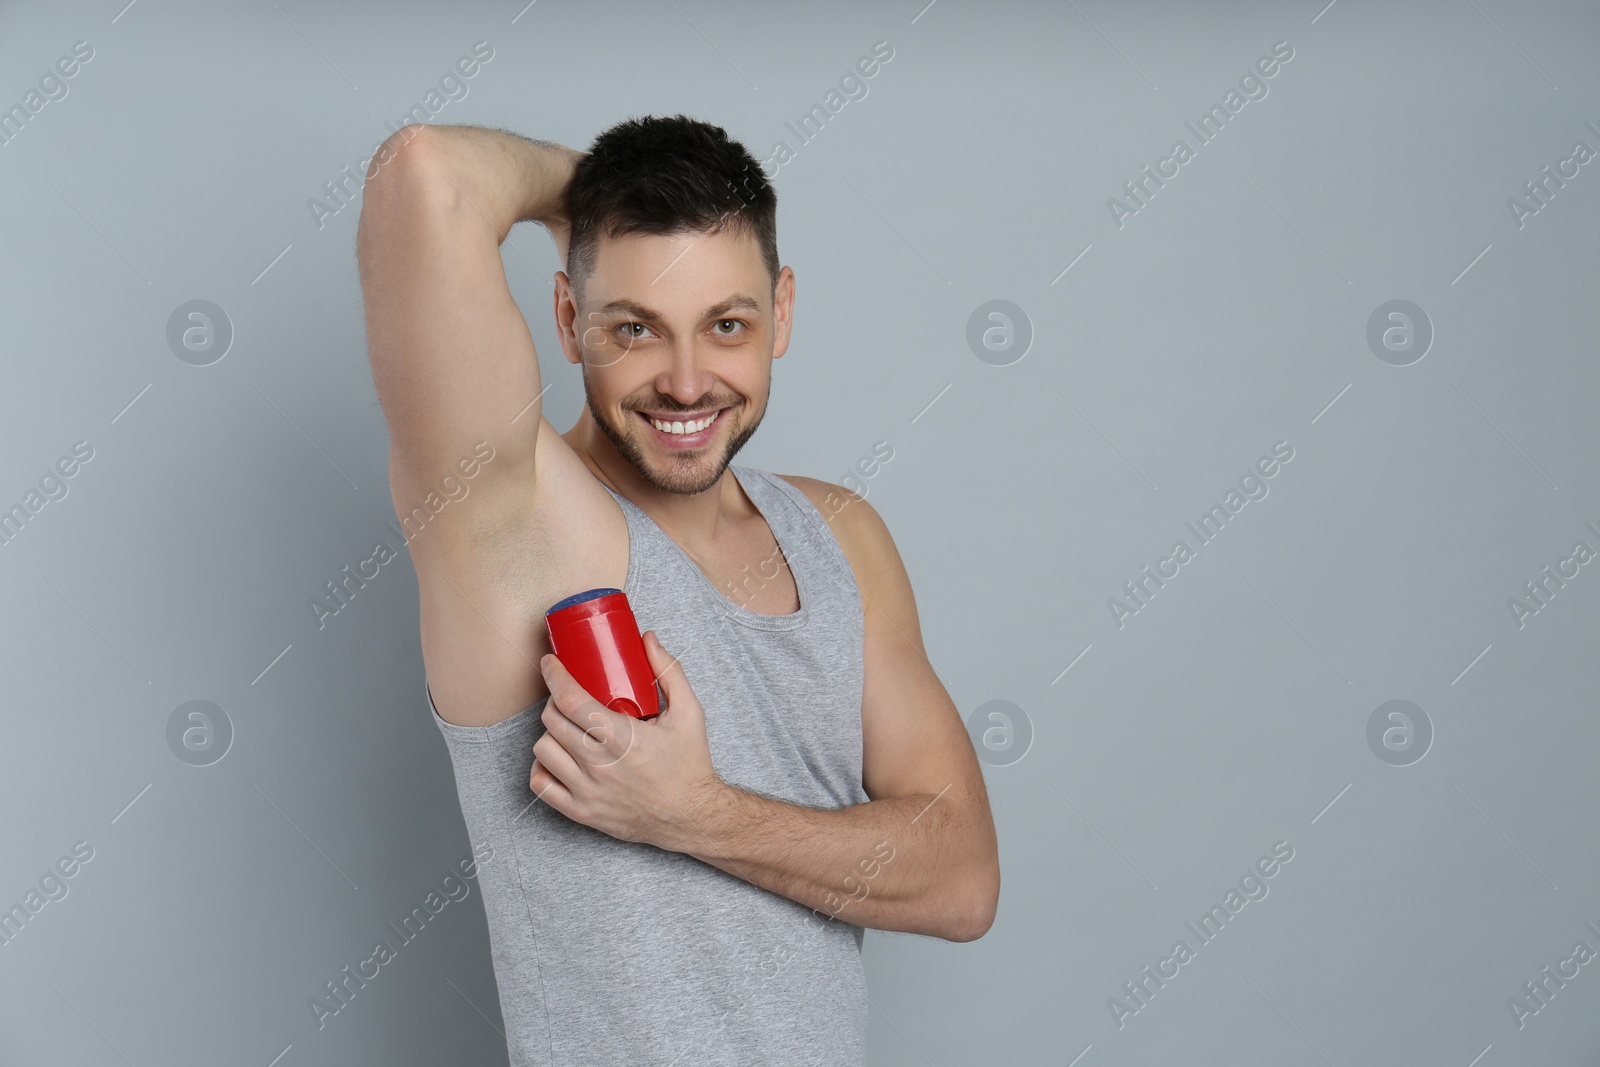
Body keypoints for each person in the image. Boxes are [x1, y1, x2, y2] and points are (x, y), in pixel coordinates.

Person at [356, 113, 999, 1066]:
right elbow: (424, 174)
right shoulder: (519, 523)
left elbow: (960, 878)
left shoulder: (841, 538)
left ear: (782, 312)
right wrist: (597, 187)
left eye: (726, 324)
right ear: (570, 321)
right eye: (636, 328)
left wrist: (693, 812)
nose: (688, 381)